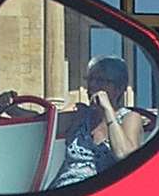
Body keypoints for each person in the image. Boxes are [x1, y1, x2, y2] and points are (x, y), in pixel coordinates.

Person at [50, 55, 143, 186]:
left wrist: (108, 111)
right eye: (90, 80)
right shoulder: (80, 115)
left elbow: (124, 155)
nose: (92, 85)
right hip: (65, 187)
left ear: (119, 88)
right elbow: (43, 125)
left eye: (100, 80)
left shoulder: (130, 118)